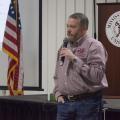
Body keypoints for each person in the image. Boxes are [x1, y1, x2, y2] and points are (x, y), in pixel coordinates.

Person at [53, 13, 108, 120]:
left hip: (87, 104)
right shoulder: (64, 46)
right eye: (67, 26)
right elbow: (57, 73)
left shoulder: (94, 46)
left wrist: (74, 59)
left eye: (73, 27)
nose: (68, 30)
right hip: (64, 104)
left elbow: (97, 76)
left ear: (84, 29)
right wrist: (57, 93)